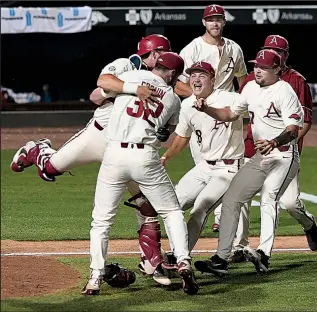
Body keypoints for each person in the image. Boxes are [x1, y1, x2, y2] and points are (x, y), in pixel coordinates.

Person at [10, 35, 175, 287]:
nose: (162, 59)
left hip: (126, 150)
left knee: (147, 203)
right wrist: (129, 89)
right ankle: (38, 149)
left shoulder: (164, 83)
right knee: (50, 169)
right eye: (159, 53)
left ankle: (152, 261)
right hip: (98, 135)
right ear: (148, 54)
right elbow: (97, 91)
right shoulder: (126, 65)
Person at [83, 52, 199, 295]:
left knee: (102, 220)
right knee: (172, 211)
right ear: (174, 75)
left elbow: (103, 82)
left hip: (114, 154)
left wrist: (132, 88)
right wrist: (139, 93)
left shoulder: (131, 75)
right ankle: (183, 262)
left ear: (157, 65)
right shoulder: (173, 98)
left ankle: (95, 277)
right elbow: (167, 131)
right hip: (145, 157)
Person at [193, 49, 304, 276]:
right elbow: (230, 114)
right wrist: (207, 109)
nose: (257, 70)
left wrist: (274, 141)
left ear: (277, 70)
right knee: (232, 198)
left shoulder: (285, 91)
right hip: (262, 156)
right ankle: (221, 260)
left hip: (284, 155)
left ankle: (264, 254)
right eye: (256, 66)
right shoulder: (250, 87)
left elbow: (293, 130)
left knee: (269, 197)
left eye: (263, 67)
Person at [229, 35, 317, 264]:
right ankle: (240, 247)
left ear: (285, 57)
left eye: (277, 51)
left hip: (284, 151)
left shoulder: (296, 81)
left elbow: (304, 121)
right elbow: (239, 113)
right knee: (242, 196)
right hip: (254, 147)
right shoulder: (252, 79)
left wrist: (283, 144)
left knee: (289, 202)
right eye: (268, 49)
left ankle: (308, 224)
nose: (271, 54)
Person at [174, 3, 248, 232]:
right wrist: (199, 99)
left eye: (219, 19)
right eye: (211, 19)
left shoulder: (234, 48)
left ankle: (220, 216)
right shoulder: (192, 49)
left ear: (224, 22)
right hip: (200, 113)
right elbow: (177, 83)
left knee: (229, 162)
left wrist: (243, 105)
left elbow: (243, 78)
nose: (215, 23)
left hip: (226, 111)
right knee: (205, 162)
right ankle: (207, 208)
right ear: (204, 22)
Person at [160, 61, 244, 252]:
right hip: (204, 167)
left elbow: (228, 115)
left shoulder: (230, 98)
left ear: (213, 80)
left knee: (200, 209)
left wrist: (206, 108)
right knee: (172, 206)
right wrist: (166, 157)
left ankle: (180, 256)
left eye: (202, 75)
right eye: (193, 75)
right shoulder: (187, 105)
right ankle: (177, 252)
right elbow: (182, 137)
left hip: (228, 169)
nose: (196, 79)